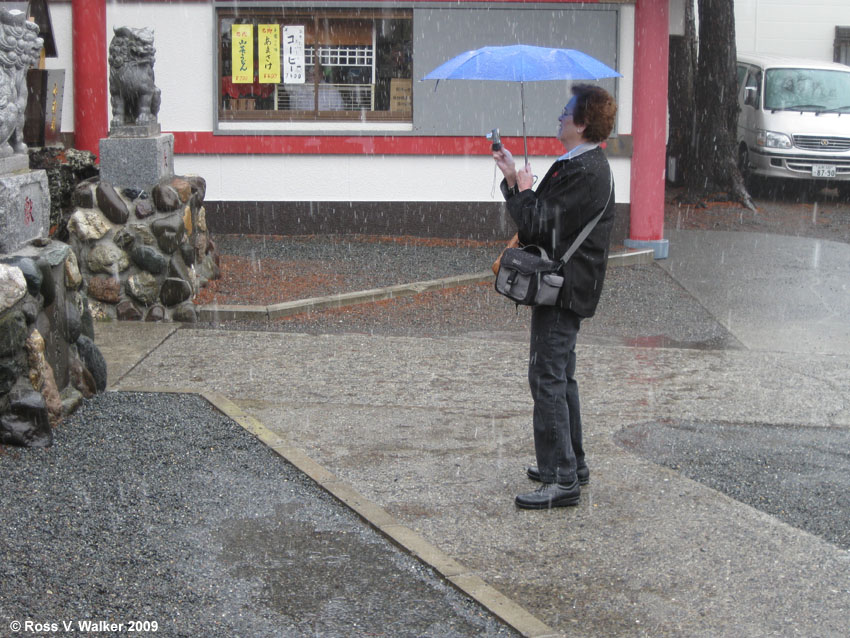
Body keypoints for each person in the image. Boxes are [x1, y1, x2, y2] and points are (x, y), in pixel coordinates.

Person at [492, 83, 618, 510]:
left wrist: (524, 189)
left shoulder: (585, 170)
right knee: (560, 375)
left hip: (563, 289)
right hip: (568, 285)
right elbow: (537, 218)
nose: (559, 117)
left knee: (546, 376)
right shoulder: (579, 163)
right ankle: (572, 463)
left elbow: (537, 228)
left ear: (581, 124)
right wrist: (515, 179)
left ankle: (560, 477)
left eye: (566, 113)